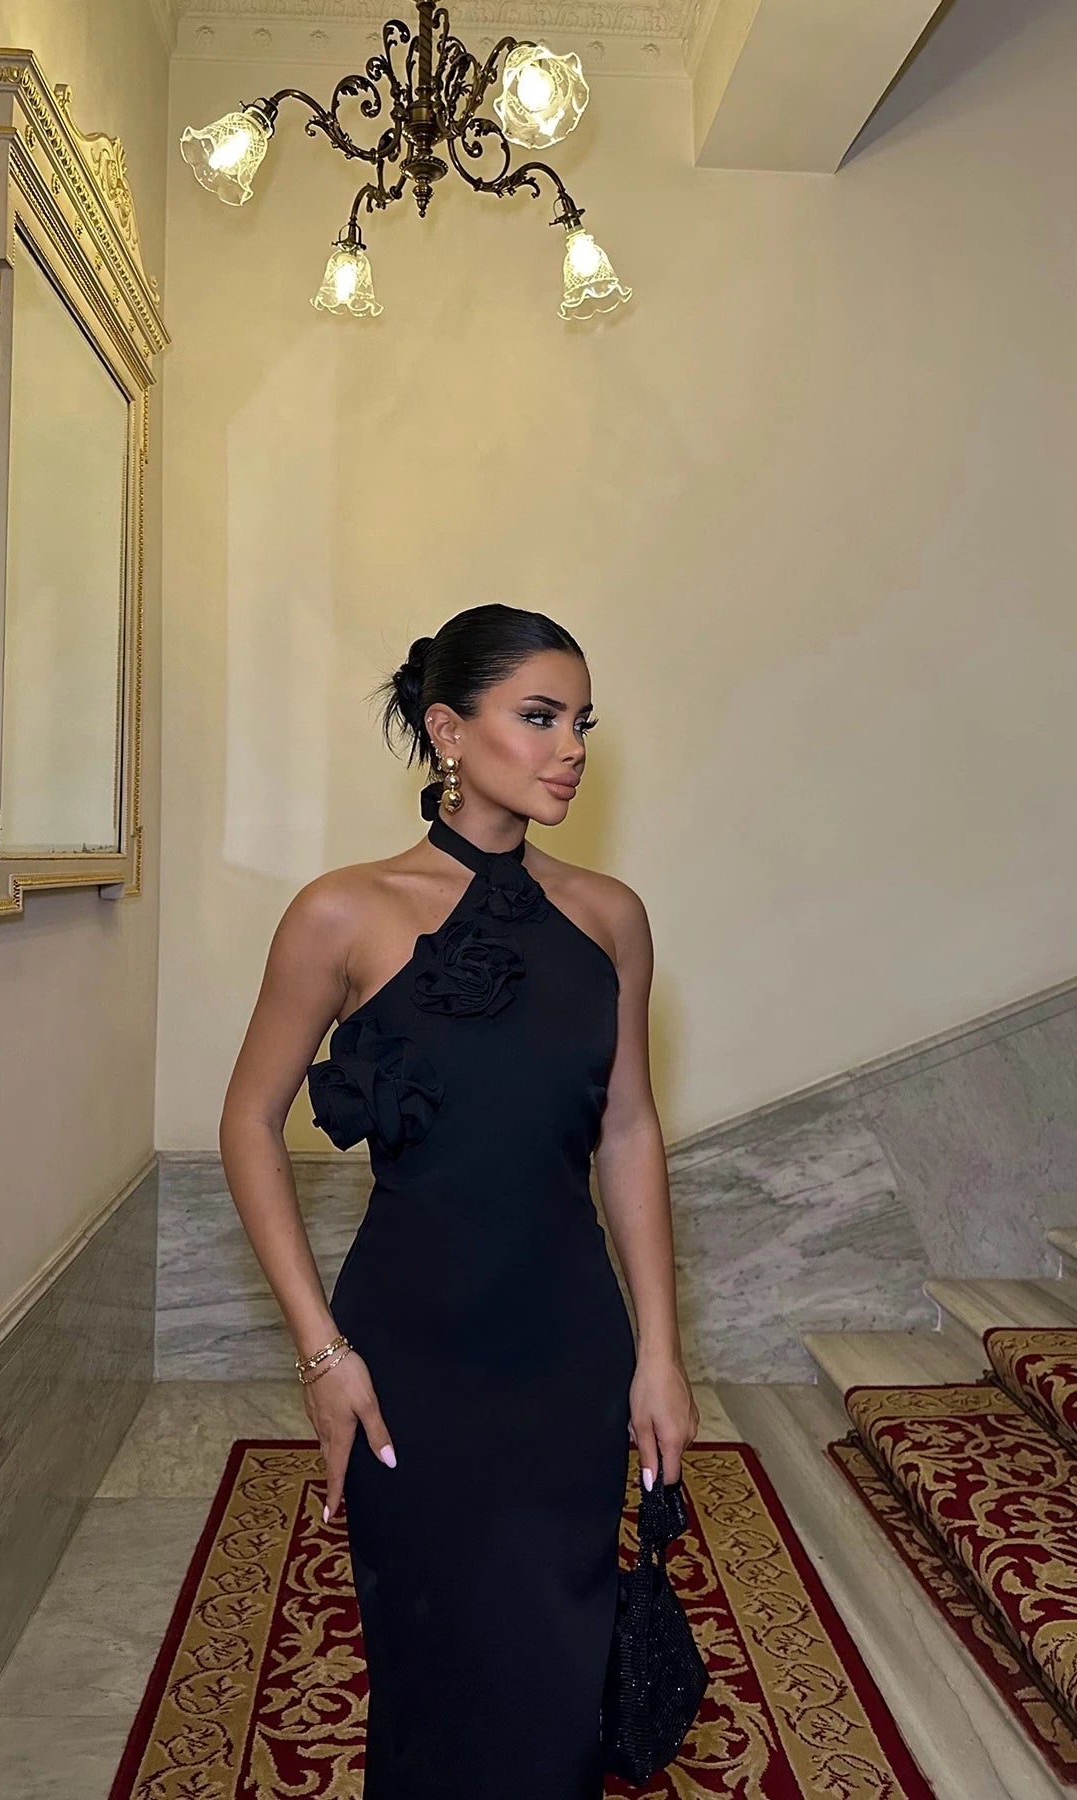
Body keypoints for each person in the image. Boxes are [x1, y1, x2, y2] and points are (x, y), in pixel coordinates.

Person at [218, 603, 698, 1799]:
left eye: (580, 722)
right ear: (447, 730)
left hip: (570, 1351)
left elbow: (629, 1129)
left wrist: (661, 1354)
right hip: (413, 1356)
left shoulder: (612, 918)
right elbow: (247, 1124)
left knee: (556, 1680)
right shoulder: (342, 911)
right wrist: (322, 1353)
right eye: (538, 717)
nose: (569, 749)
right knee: (434, 1674)